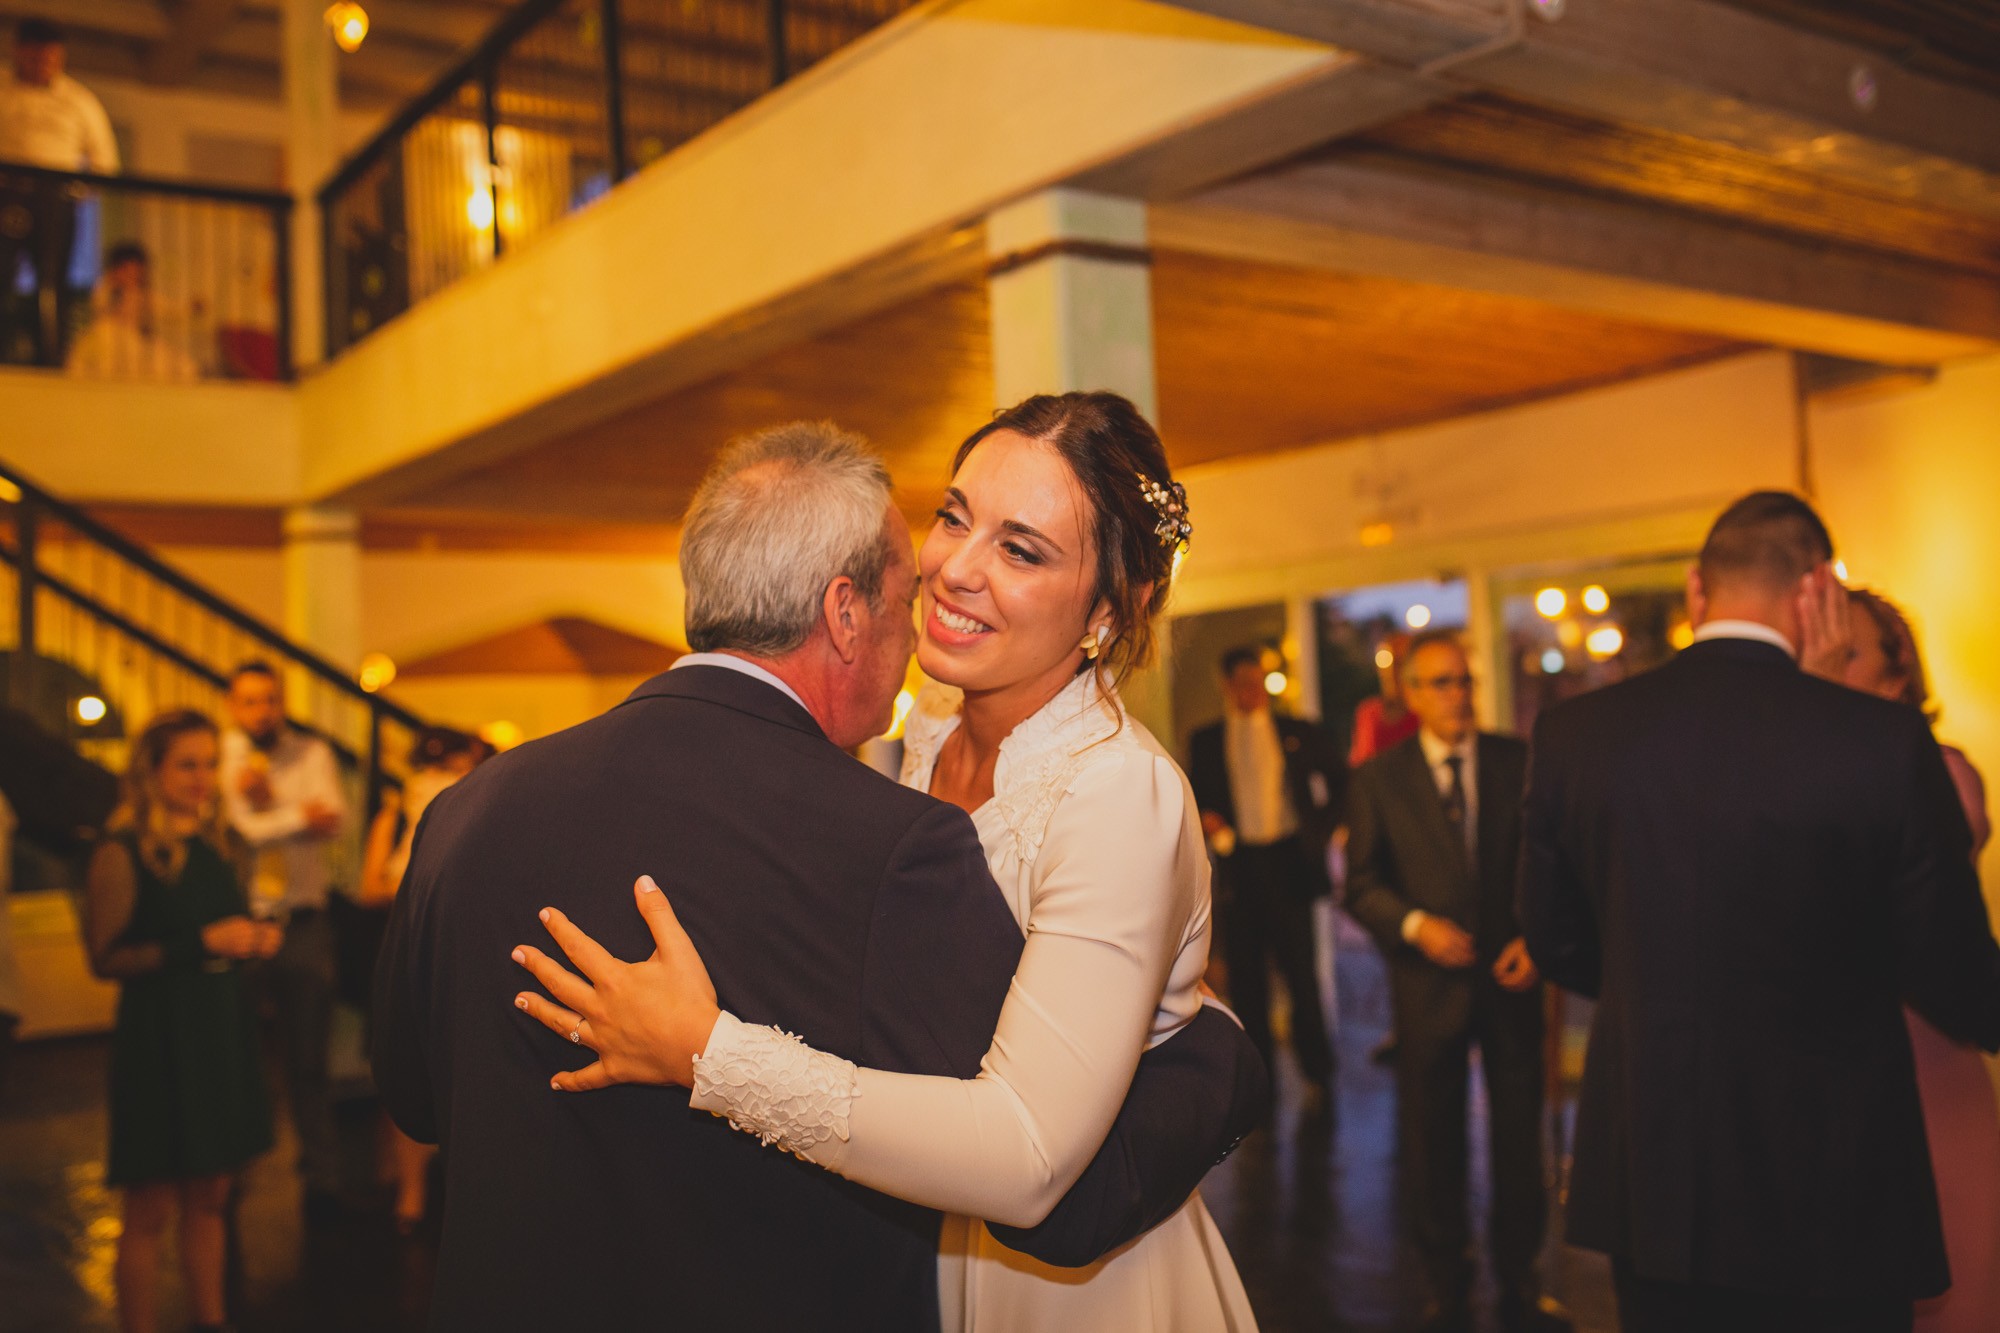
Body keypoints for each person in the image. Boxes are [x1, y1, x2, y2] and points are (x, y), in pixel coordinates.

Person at [374, 417, 1266, 1330]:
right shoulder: (917, 749)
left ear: (1112, 608)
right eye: (955, 518)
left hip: (1060, 1287)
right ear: (847, 610)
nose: (954, 568)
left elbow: (1031, 1157)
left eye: (1022, 549)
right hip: (935, 1249)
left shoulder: (1115, 790)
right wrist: (1212, 1055)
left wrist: (710, 1052)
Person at [1519, 491, 2000, 1333]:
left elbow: (1556, 937)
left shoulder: (1575, 733)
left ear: (1697, 588)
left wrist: (1664, 980)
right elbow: (1953, 974)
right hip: (1836, 1180)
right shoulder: (1881, 742)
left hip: (1659, 1173)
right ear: (1819, 591)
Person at [1344, 629, 1568, 1333]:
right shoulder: (1379, 778)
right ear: (1410, 694)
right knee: (1433, 1144)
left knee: (1518, 1142)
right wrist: (1415, 925)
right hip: (1426, 990)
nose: (1458, 694)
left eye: (1465, 680)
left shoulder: (1517, 760)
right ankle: (1445, 1282)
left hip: (1511, 985)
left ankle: (1522, 1281)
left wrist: (1536, 938)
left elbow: (1552, 864)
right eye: (1441, 682)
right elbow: (1362, 885)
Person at [1819, 588, 2000, 1333]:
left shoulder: (1940, 773)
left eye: (1849, 650)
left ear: (1898, 677)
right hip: (1841, 1069)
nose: (1828, 663)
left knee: (1954, 1280)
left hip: (1927, 1054)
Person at [82, 710, 278, 1333]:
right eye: (186, 764)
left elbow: (228, 927)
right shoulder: (122, 852)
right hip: (159, 1041)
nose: (201, 778)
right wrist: (204, 942)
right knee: (150, 1205)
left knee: (213, 1198)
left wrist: (254, 940)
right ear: (153, 770)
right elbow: (105, 958)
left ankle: (211, 1320)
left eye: (209, 763)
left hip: (220, 1032)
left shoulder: (223, 844)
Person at [1188, 643, 1341, 1120]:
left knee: (1302, 974)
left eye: (1257, 681)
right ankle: (1262, 1084)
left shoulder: (1298, 731)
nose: (1252, 691)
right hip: (1241, 869)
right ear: (1227, 686)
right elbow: (1196, 798)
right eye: (1242, 683)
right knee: (1249, 982)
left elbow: (1341, 785)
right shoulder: (1207, 740)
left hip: (1290, 861)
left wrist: (1320, 831)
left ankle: (1319, 1073)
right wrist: (1209, 821)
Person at [218, 661, 349, 1218]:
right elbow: (239, 828)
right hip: (237, 924)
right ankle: (228, 1187)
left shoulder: (312, 753)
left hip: (301, 922)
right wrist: (296, 814)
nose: (261, 711)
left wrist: (267, 807)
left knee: (309, 1059)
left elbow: (335, 820)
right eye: (249, 701)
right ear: (232, 705)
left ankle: (322, 1180)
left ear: (281, 701)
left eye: (269, 700)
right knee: (232, 1059)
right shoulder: (219, 755)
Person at [357, 725, 482, 1234]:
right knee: (410, 1059)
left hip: (459, 947)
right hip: (409, 940)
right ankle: (410, 1194)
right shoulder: (401, 811)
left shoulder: (476, 802)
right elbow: (369, 887)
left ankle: (451, 1190)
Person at [0, 18, 119, 364]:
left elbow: (104, 161)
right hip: (5, 189)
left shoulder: (80, 101)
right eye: (35, 58)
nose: (43, 66)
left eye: (51, 59)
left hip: (54, 196)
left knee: (51, 280)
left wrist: (75, 192)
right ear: (18, 53)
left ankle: (50, 359)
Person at [66, 241, 200, 382]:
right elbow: (98, 305)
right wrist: (114, 288)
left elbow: (167, 309)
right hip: (108, 339)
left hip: (133, 342)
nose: (132, 273)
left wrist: (190, 308)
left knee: (181, 366)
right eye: (126, 268)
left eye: (136, 268)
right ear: (116, 269)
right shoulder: (106, 289)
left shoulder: (144, 295)